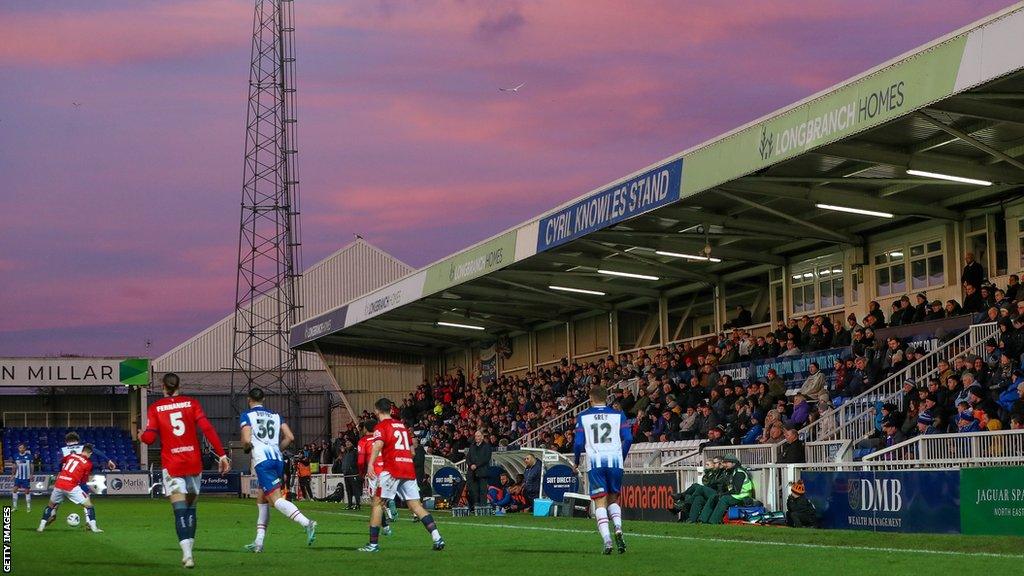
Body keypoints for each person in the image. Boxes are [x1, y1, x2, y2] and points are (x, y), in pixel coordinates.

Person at [139, 372, 230, 569]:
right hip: (193, 463)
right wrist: (222, 455)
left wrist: (140, 435)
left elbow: (149, 439)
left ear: (163, 387)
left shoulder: (155, 408)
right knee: (191, 509)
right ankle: (190, 551)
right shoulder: (192, 403)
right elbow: (207, 428)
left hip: (173, 465)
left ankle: (187, 555)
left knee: (179, 510)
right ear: (179, 386)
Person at [359, 398, 444, 553]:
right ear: (391, 410)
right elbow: (411, 452)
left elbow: (378, 445)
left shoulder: (381, 426)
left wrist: (370, 464)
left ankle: (373, 544)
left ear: (377, 411)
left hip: (392, 469)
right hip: (408, 469)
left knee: (377, 503)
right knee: (416, 506)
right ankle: (437, 537)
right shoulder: (402, 426)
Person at [240, 388, 317, 553]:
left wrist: (247, 447)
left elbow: (246, 440)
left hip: (262, 461)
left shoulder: (247, 415)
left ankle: (307, 523)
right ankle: (258, 542)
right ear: (264, 399)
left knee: (275, 500)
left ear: (249, 399)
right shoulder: (276, 416)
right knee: (262, 500)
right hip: (277, 459)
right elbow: (290, 437)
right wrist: (277, 449)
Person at [574, 385, 632, 554]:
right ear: (606, 398)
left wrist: (576, 462)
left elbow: (578, 443)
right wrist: (620, 456)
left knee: (600, 501)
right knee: (613, 500)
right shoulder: (618, 415)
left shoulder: (583, 416)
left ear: (590, 399)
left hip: (596, 462)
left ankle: (607, 540)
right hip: (615, 462)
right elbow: (628, 438)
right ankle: (619, 529)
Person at [37, 444, 103, 533]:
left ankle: (41, 527)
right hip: (71, 486)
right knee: (89, 506)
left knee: (50, 506)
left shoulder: (71, 455)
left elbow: (62, 461)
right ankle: (94, 528)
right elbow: (83, 480)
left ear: (82, 450)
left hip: (59, 483)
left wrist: (62, 472)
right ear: (90, 453)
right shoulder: (88, 463)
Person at [357, 420, 392, 534]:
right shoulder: (382, 438)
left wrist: (361, 473)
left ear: (365, 429)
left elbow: (361, 461)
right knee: (381, 498)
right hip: (386, 471)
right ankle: (386, 523)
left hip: (374, 472)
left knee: (375, 500)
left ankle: (384, 527)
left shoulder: (363, 441)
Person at [698, 456, 755, 524]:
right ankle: (703, 520)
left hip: (742, 496)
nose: (725, 464)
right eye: (724, 462)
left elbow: (736, 491)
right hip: (735, 495)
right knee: (713, 497)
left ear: (733, 463)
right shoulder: (731, 472)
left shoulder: (739, 473)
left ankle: (713, 521)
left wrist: (722, 495)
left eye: (727, 462)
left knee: (724, 499)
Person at [466, 429, 492, 511]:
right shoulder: (472, 446)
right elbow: (468, 457)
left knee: (483, 491)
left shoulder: (487, 446)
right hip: (472, 473)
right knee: (474, 491)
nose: (476, 438)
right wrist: (471, 465)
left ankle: (483, 507)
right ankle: (476, 506)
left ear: (482, 437)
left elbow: (486, 458)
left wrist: (476, 465)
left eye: (478, 436)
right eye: (476, 436)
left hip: (482, 472)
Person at [340, 440, 360, 510]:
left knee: (355, 490)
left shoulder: (355, 451)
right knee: (348, 490)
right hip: (346, 474)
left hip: (353, 474)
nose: (347, 443)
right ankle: (350, 504)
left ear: (352, 443)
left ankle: (357, 504)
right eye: (346, 442)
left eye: (349, 442)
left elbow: (358, 461)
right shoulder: (346, 452)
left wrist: (353, 468)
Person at [12, 442, 33, 512]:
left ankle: (28, 507)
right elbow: (14, 466)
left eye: (22, 448)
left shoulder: (29, 456)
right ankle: (15, 507)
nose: (21, 449)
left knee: (27, 491)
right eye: (20, 448)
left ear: (25, 448)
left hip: (26, 477)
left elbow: (31, 465)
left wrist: (31, 474)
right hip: (18, 477)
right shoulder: (15, 456)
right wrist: (13, 474)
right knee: (14, 490)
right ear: (18, 449)